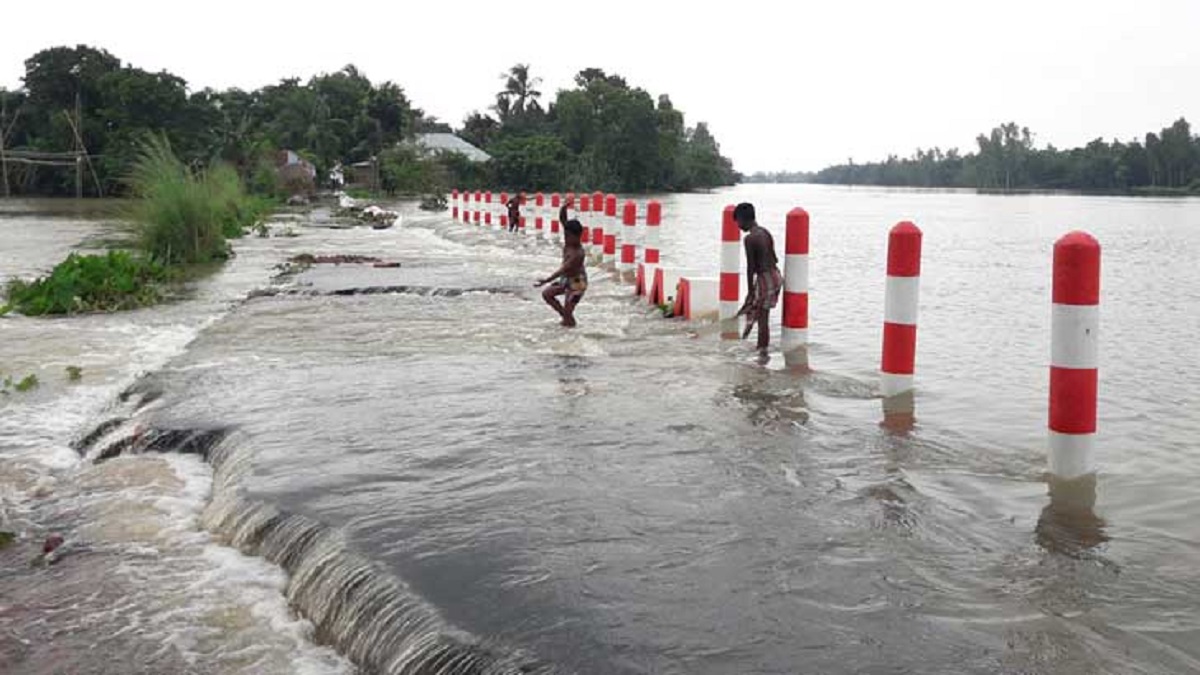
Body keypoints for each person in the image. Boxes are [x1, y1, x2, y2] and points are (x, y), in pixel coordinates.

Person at [733, 202, 782, 352]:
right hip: (775, 275)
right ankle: (758, 348)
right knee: (757, 314)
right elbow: (775, 258)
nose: (738, 227)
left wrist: (750, 292)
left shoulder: (750, 239)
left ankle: (762, 353)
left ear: (743, 219)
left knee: (761, 319)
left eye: (738, 222)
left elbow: (751, 268)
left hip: (765, 278)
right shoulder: (765, 232)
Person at [535, 198, 588, 327]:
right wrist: (564, 207)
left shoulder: (578, 253)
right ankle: (566, 320)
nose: (566, 238)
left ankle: (570, 326)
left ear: (578, 236)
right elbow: (563, 220)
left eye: (569, 236)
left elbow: (563, 269)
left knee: (569, 311)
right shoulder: (569, 241)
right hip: (566, 279)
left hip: (578, 284)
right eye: (565, 235)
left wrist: (546, 280)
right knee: (547, 294)